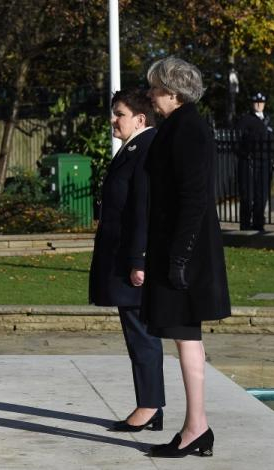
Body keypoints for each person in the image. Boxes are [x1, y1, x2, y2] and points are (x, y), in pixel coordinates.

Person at [144, 57, 231, 458]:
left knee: (185, 335)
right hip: (179, 248)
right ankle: (197, 426)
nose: (150, 94)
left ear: (173, 92)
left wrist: (178, 257)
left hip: (186, 251)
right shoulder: (179, 126)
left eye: (155, 88)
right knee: (184, 337)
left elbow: (195, 197)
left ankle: (197, 427)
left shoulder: (188, 129)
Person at [89, 88, 164, 433]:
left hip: (132, 260)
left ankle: (149, 406)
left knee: (141, 334)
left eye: (119, 113)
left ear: (140, 119)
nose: (113, 120)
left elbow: (143, 210)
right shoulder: (133, 149)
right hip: (124, 257)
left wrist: (139, 260)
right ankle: (151, 404)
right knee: (137, 333)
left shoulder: (145, 149)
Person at [236, 91, 274, 231]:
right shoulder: (245, 120)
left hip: (264, 162)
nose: (258, 105)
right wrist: (245, 154)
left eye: (261, 102)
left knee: (261, 196)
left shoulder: (269, 120)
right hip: (249, 162)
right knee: (247, 196)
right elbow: (236, 140)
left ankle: (259, 224)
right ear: (252, 104)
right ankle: (245, 225)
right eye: (256, 102)